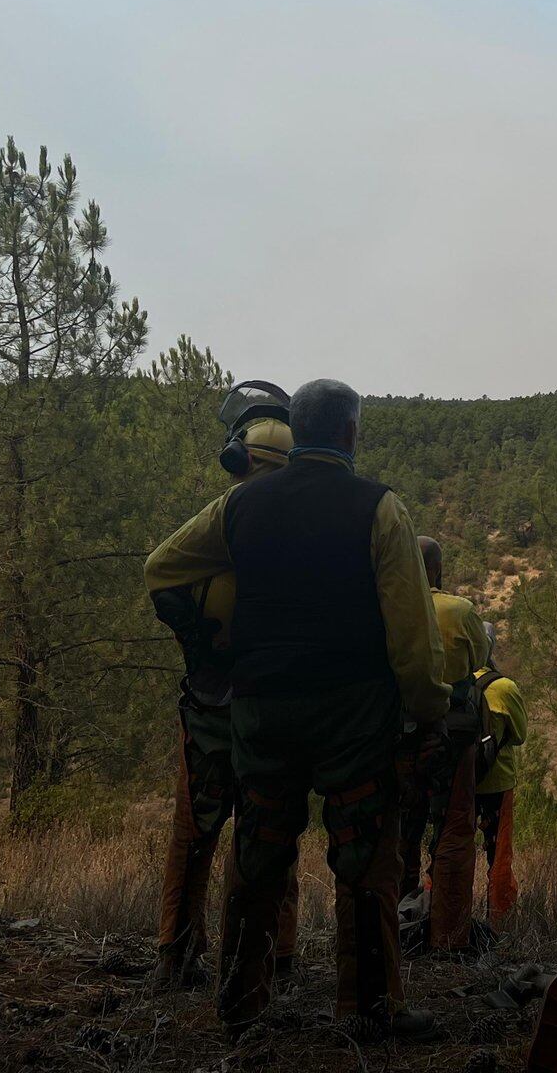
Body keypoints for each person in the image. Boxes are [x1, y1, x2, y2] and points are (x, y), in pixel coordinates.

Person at [144, 378, 448, 1038]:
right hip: (352, 716)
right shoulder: (381, 508)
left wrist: (209, 647)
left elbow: (161, 567)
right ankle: (368, 1008)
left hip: (262, 712)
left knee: (258, 855)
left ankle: (240, 1003)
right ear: (351, 432)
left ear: (297, 431)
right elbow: (412, 636)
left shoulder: (239, 505)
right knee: (365, 860)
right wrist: (425, 709)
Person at [145, 390, 301, 993]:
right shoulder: (309, 527)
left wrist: (198, 645)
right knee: (273, 834)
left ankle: (178, 954)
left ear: (240, 458)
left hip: (214, 706)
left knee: (195, 832)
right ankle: (274, 958)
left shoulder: (224, 517)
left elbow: (159, 572)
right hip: (278, 706)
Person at [395, 536, 492, 952]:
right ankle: (448, 936)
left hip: (399, 733)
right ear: (437, 569)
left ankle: (392, 925)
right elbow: (480, 658)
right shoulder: (460, 610)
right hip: (453, 732)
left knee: (399, 828)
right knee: (453, 829)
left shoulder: (389, 608)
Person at [473, 623, 528, 932]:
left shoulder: (451, 683)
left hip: (459, 785)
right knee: (499, 857)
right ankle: (500, 924)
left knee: (448, 850)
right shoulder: (504, 688)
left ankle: (445, 921)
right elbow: (519, 735)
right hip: (498, 782)